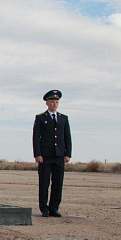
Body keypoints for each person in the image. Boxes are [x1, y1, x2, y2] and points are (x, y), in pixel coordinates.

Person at [32, 89, 71, 217]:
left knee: (58, 183)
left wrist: (67, 153)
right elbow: (36, 137)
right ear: (47, 103)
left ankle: (54, 208)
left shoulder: (63, 118)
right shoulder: (40, 118)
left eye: (56, 102)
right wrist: (37, 154)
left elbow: (67, 136)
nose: (54, 104)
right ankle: (44, 208)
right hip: (45, 156)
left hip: (59, 155)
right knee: (44, 183)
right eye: (52, 102)